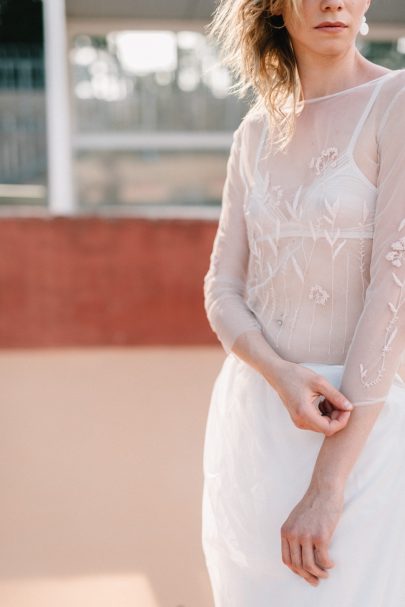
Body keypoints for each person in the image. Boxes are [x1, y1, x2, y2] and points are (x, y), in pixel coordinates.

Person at [201, 0, 405, 604]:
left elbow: (394, 288)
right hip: (256, 422)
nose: (332, 2)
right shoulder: (253, 132)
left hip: (358, 426)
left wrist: (326, 485)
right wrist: (280, 373)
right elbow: (222, 289)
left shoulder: (394, 103)